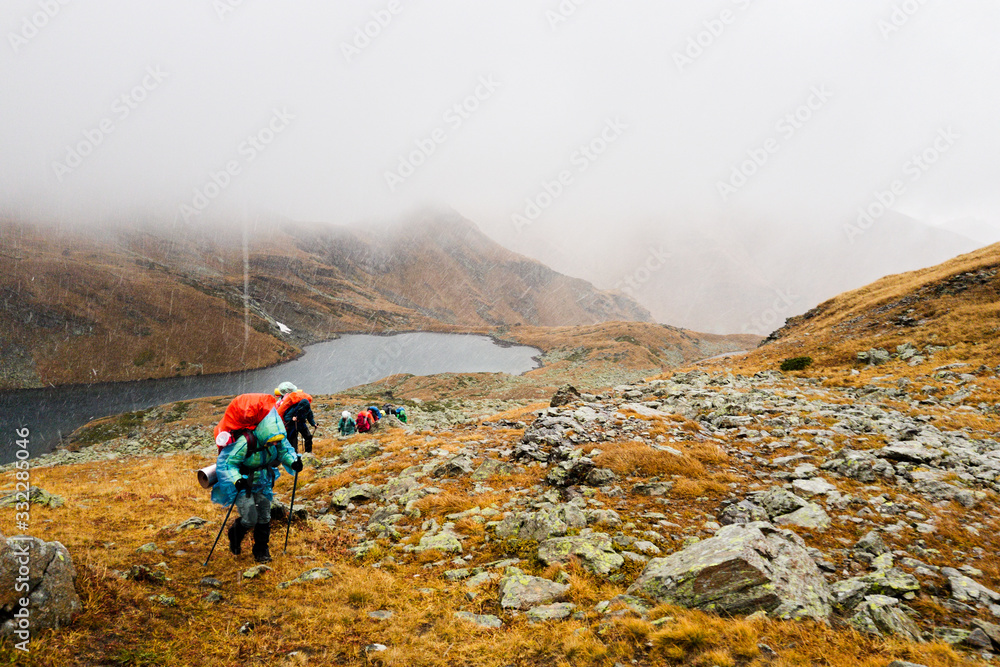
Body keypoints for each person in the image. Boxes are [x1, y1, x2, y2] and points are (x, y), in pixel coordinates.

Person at [211, 403, 302, 563]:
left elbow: (284, 451)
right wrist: (237, 480)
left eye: (276, 442)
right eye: (272, 442)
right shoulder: (246, 442)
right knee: (250, 518)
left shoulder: (276, 438)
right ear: (264, 436)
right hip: (243, 484)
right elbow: (229, 463)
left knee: (265, 516)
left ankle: (261, 550)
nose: (275, 444)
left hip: (263, 481)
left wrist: (293, 462)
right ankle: (235, 535)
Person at [277, 388, 317, 453]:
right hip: (292, 425)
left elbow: (310, 417)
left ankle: (308, 452)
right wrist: (292, 419)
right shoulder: (294, 408)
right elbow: (286, 417)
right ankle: (294, 454)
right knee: (293, 440)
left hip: (301, 424)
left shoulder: (307, 408)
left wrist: (313, 424)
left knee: (308, 437)